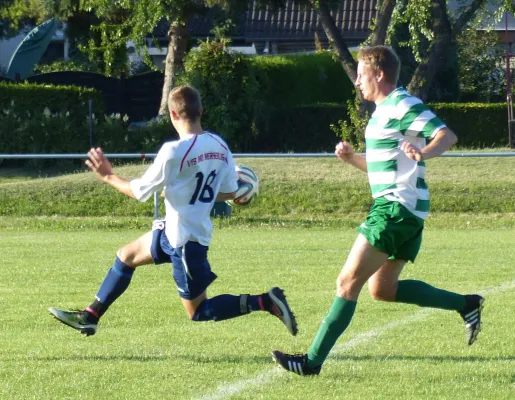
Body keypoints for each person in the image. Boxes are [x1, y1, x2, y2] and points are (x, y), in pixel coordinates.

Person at [272, 46, 483, 376]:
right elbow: (380, 169)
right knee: (382, 290)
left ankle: (311, 362)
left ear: (379, 75)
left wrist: (423, 153)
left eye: (360, 75)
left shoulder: (402, 104)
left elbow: (446, 135)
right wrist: (352, 159)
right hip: (404, 209)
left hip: (395, 209)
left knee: (346, 283)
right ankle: (466, 304)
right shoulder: (382, 112)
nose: (357, 82)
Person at [49, 85, 297, 337]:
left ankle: (265, 302)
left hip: (185, 241)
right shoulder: (220, 147)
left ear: (172, 114)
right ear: (201, 110)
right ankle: (90, 316)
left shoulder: (173, 151)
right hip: (174, 230)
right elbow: (228, 193)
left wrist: (107, 175)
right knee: (126, 256)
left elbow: (138, 192)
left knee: (198, 311)